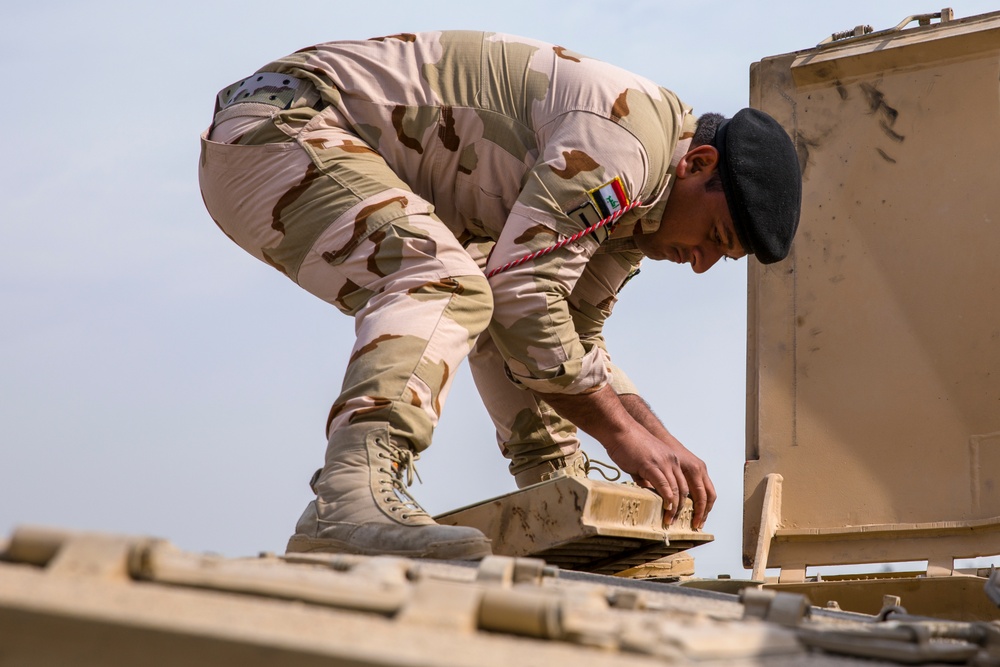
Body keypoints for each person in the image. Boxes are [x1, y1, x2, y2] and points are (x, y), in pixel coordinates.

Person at [198, 31, 801, 560]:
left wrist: (659, 441)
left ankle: (555, 501)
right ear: (698, 163)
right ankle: (349, 496)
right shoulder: (626, 147)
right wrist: (622, 435)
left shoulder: (640, 209)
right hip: (283, 130)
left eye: (722, 258)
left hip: (311, 142)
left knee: (500, 300)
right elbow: (522, 299)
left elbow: (565, 333)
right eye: (715, 238)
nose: (700, 263)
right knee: (444, 280)